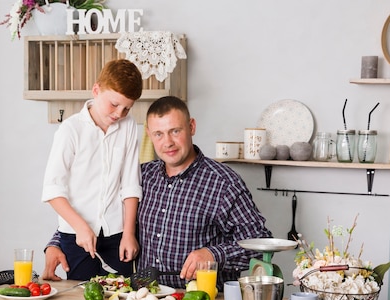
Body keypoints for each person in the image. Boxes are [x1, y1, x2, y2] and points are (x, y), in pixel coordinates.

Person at [42, 95, 272, 289]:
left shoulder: (223, 183)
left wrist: (213, 254)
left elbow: (262, 243)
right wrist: (56, 243)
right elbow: (98, 211)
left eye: (175, 131)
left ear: (191, 127)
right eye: (159, 134)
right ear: (150, 136)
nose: (167, 142)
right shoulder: (141, 176)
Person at [41, 59, 143, 281]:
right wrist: (81, 227)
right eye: (114, 104)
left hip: (117, 234)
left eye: (127, 107)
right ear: (96, 90)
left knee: (121, 298)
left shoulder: (128, 126)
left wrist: (128, 233)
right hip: (76, 236)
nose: (119, 113)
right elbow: (52, 190)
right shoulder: (70, 130)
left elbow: (130, 184)